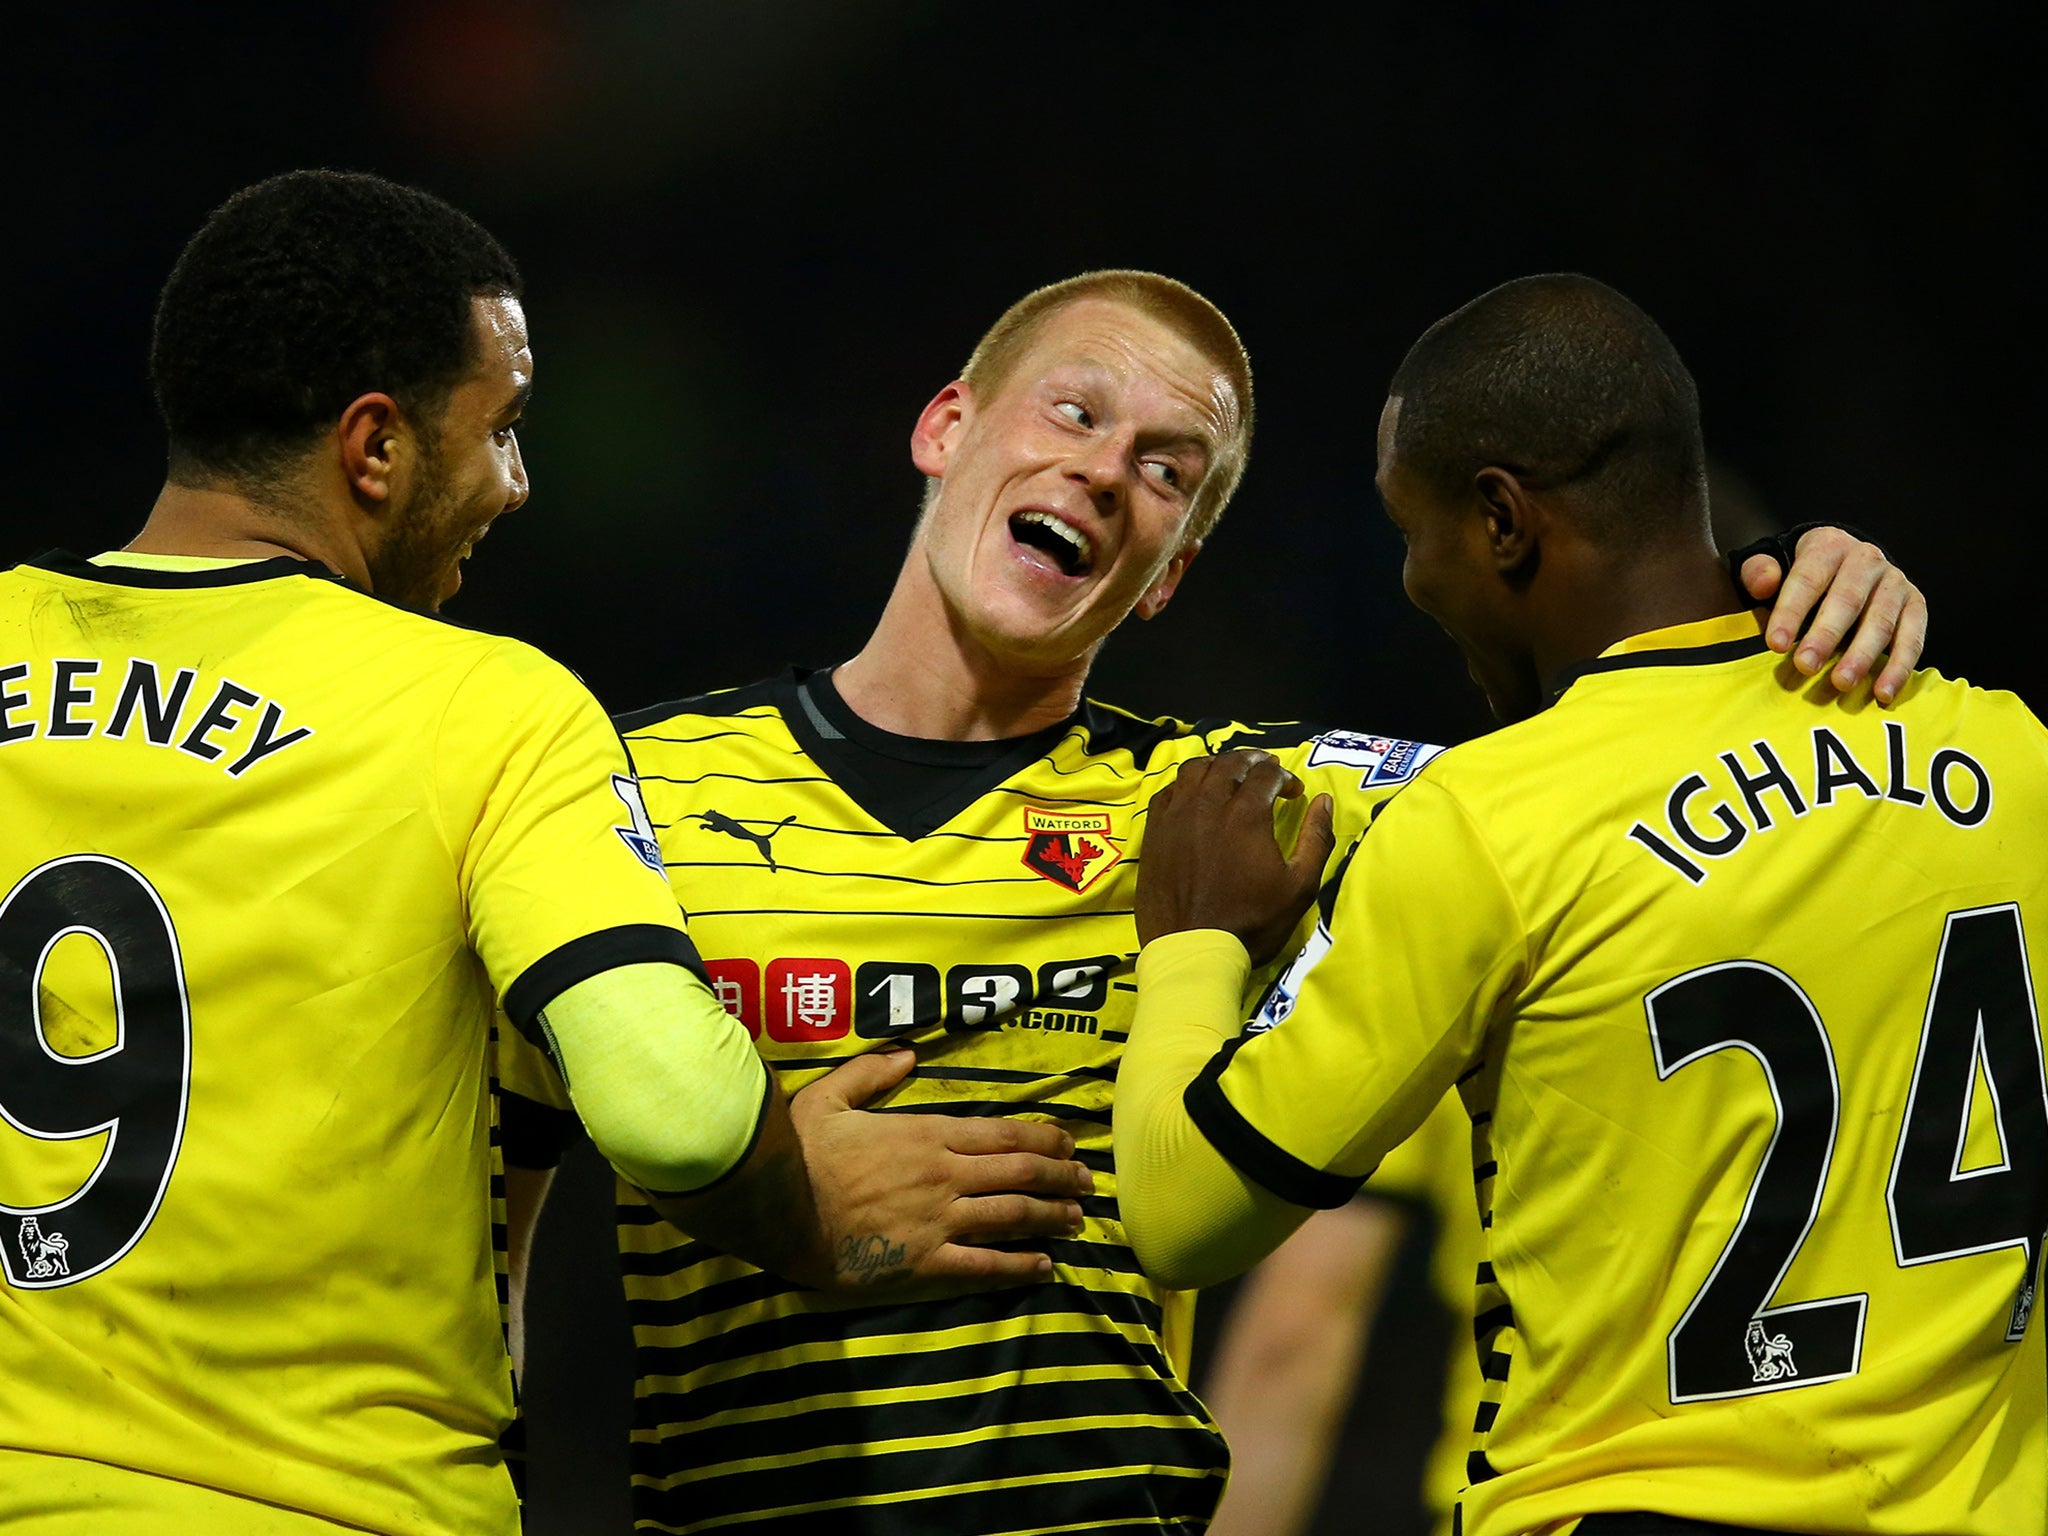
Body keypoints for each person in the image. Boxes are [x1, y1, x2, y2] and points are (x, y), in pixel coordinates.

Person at [502, 269, 1927, 1535]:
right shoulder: (627, 792)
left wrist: (1799, 602)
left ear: (1173, 570)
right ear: (948, 428)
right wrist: (763, 1197)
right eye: (1072, 413)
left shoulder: (1233, 809)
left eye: (1168, 470)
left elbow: (1611, 781)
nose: (1109, 470)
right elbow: (492, 1201)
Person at [0, 170, 1088, 1536]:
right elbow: (670, 1110)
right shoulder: (485, 708)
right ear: (375, 448)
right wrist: (797, 1206)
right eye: (502, 429)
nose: (518, 485)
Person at [1115, 274, 2045, 1535]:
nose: (1408, 579)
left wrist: (1192, 945)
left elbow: (1183, 1210)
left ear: (1501, 520)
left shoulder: (1490, 823)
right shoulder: (2010, 758)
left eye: (1413, 530)